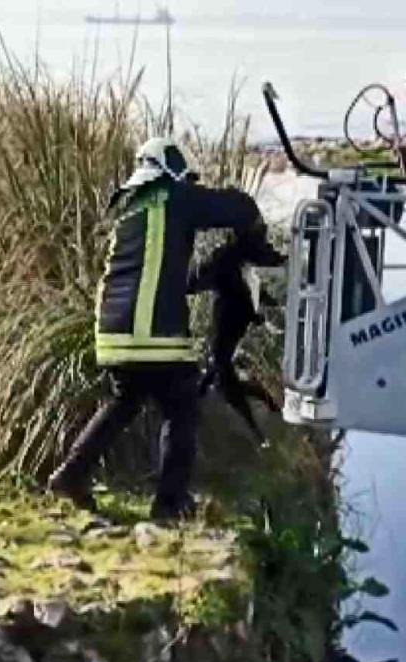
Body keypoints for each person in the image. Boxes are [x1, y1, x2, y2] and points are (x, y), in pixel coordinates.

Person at [48, 137, 265, 520]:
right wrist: (250, 238)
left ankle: (71, 475)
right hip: (152, 332)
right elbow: (239, 207)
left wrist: (210, 271)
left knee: (125, 401)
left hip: (112, 330)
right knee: (181, 407)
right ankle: (169, 505)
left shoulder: (130, 208)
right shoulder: (173, 196)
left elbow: (165, 277)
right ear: (168, 168)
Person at [187, 229, 284, 442]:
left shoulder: (228, 260)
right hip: (235, 316)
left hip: (232, 315)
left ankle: (260, 419)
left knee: (221, 372)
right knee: (222, 374)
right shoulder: (237, 262)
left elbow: (200, 282)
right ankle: (261, 417)